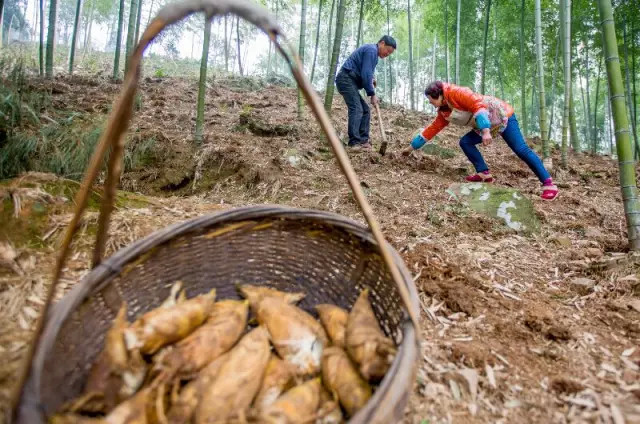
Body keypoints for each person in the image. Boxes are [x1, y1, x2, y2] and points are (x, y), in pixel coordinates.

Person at [403, 81, 559, 201]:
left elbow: (478, 105)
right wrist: (411, 148)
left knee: (521, 149)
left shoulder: (457, 92)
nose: (430, 104)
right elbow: (432, 129)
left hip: (502, 116)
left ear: (439, 95)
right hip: (485, 125)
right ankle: (484, 173)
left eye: (431, 100)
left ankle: (548, 184)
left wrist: (485, 131)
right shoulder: (444, 110)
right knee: (465, 142)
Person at [335, 35, 397, 150]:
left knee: (365, 110)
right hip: (346, 79)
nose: (387, 54)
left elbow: (367, 72)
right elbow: (365, 75)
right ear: (382, 43)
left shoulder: (373, 55)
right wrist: (372, 94)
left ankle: (363, 141)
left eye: (390, 53)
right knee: (357, 108)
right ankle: (354, 142)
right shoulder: (371, 50)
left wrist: (371, 79)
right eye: (388, 51)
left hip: (351, 81)